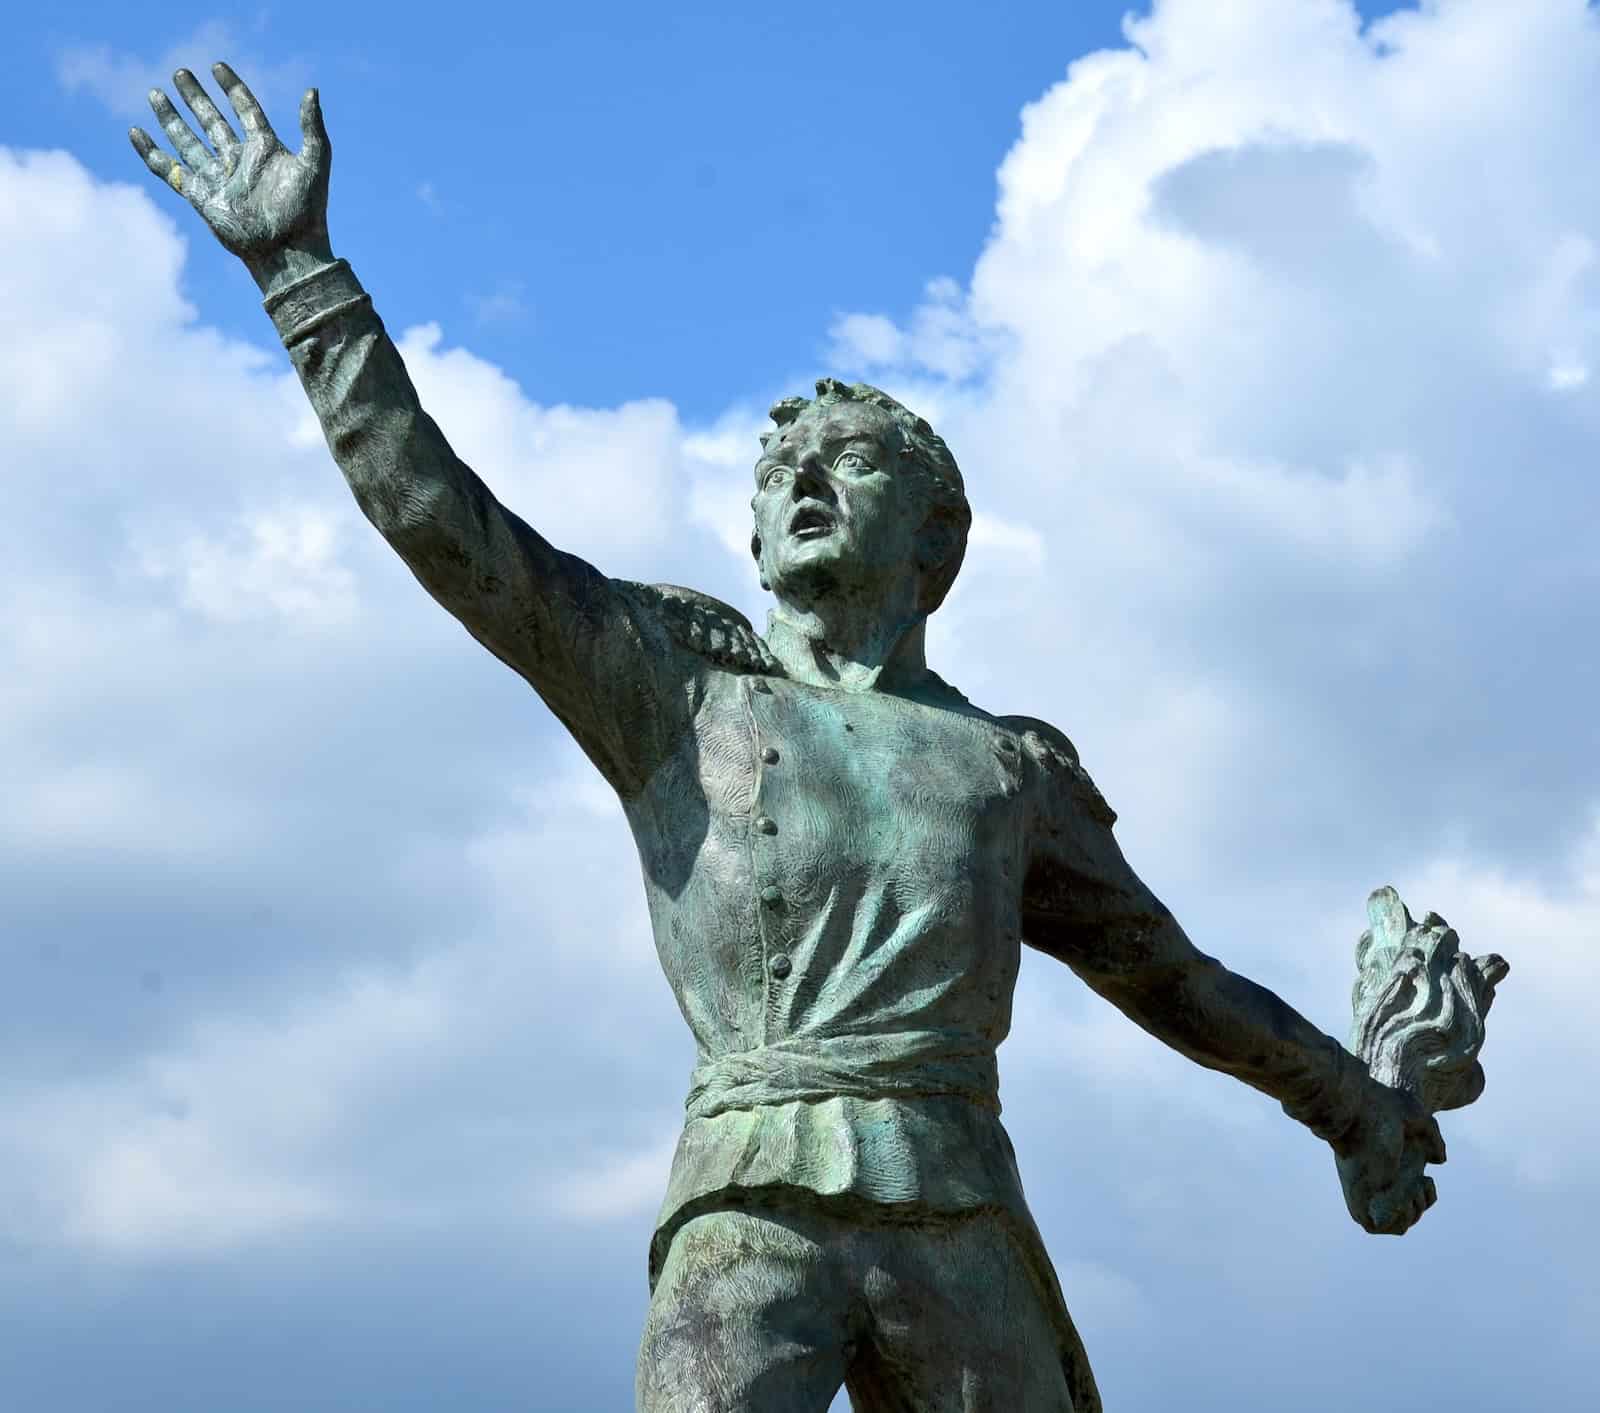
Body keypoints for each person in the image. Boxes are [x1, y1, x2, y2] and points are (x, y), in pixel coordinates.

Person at [130, 66, 1447, 1413]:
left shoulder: (1011, 769)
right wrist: (304, 278)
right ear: (754, 541)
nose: (805, 481)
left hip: (958, 1204)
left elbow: (1171, 976)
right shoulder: (676, 689)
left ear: (936, 541)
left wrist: (1349, 1099)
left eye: (852, 460)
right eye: (779, 474)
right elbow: (445, 524)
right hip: (745, 1201)